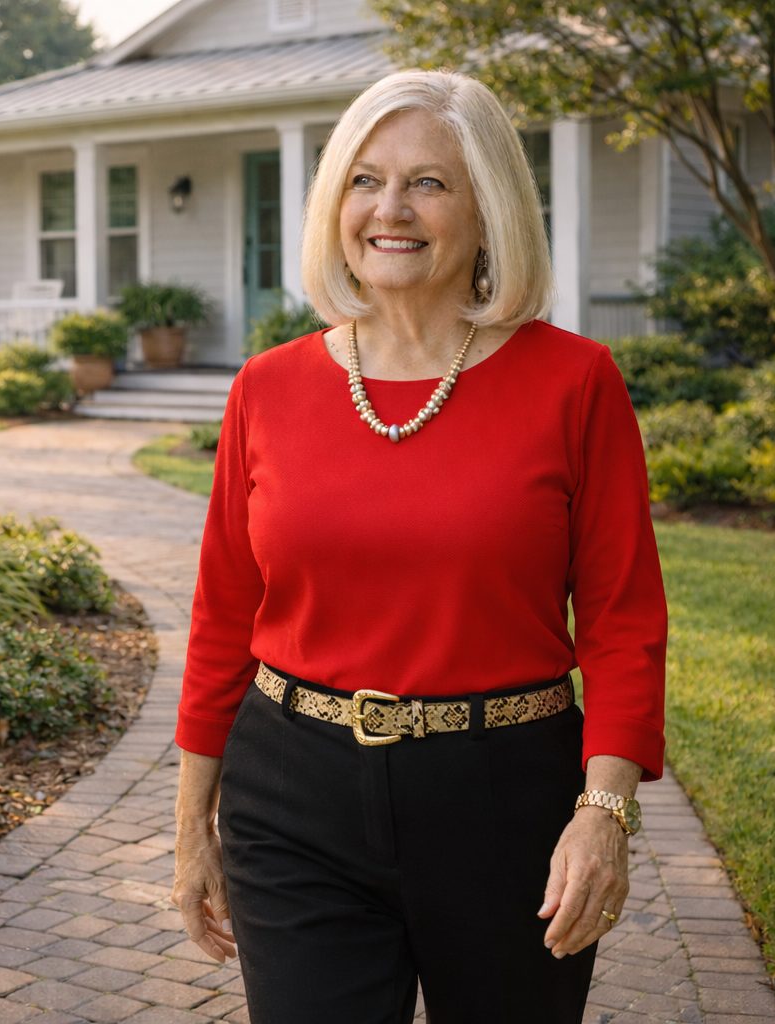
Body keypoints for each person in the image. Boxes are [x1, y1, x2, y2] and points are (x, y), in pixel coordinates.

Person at [170, 68, 667, 1024]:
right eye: (364, 180)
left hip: (506, 799)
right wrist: (195, 822)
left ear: (488, 210)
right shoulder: (266, 389)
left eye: (428, 183)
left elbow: (623, 622)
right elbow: (223, 616)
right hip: (293, 794)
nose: (389, 209)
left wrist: (603, 814)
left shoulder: (576, 383)